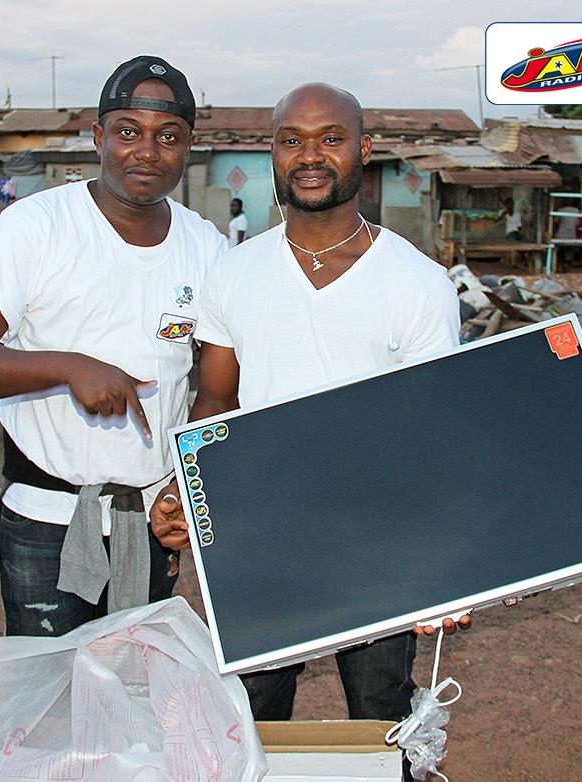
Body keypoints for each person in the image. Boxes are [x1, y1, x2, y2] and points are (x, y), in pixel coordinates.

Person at [151, 83, 471, 727]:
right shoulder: (233, 273)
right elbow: (215, 400)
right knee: (253, 716)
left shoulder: (418, 284)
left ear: (364, 150)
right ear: (273, 152)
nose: (310, 155)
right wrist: (185, 486)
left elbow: (434, 433)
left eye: (331, 138)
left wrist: (446, 556)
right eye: (291, 140)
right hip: (262, 531)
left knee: (380, 717)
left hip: (378, 535)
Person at [0, 55, 227, 636]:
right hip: (46, 517)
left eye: (168, 136)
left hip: (150, 517)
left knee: (137, 683)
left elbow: (217, 390)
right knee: (48, 683)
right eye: (128, 132)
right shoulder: (36, 227)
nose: (148, 151)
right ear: (98, 136)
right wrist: (68, 367)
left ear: (188, 146)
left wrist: (186, 487)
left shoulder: (207, 248)